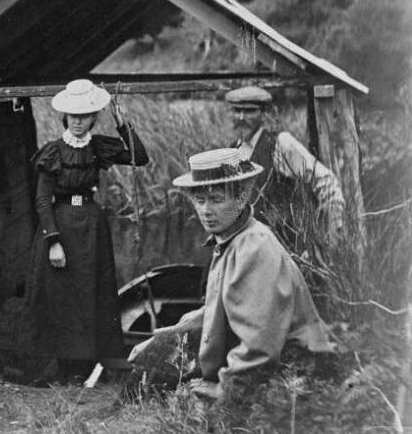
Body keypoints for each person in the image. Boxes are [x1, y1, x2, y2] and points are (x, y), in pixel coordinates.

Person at [128, 147, 334, 407]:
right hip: (274, 360)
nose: (205, 210)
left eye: (215, 199)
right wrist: (162, 336)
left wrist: (225, 387)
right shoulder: (229, 240)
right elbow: (218, 309)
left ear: (242, 195)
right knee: (159, 358)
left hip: (296, 368)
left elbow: (261, 345)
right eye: (199, 200)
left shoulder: (255, 247)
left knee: (180, 396)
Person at [29, 78, 148, 381]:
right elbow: (42, 199)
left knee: (91, 295)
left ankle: (89, 366)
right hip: (62, 227)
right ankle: (63, 367)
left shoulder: (99, 148)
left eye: (84, 116)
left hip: (93, 227)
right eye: (73, 116)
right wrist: (53, 242)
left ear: (94, 117)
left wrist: (122, 123)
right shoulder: (53, 152)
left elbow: (140, 157)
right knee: (62, 297)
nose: (78, 122)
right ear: (65, 117)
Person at [225, 86, 344, 250]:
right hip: (247, 250)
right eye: (236, 111)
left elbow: (326, 181)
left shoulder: (281, 144)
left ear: (264, 114)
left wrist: (333, 232)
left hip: (284, 249)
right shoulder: (231, 152)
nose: (241, 117)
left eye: (249, 111)